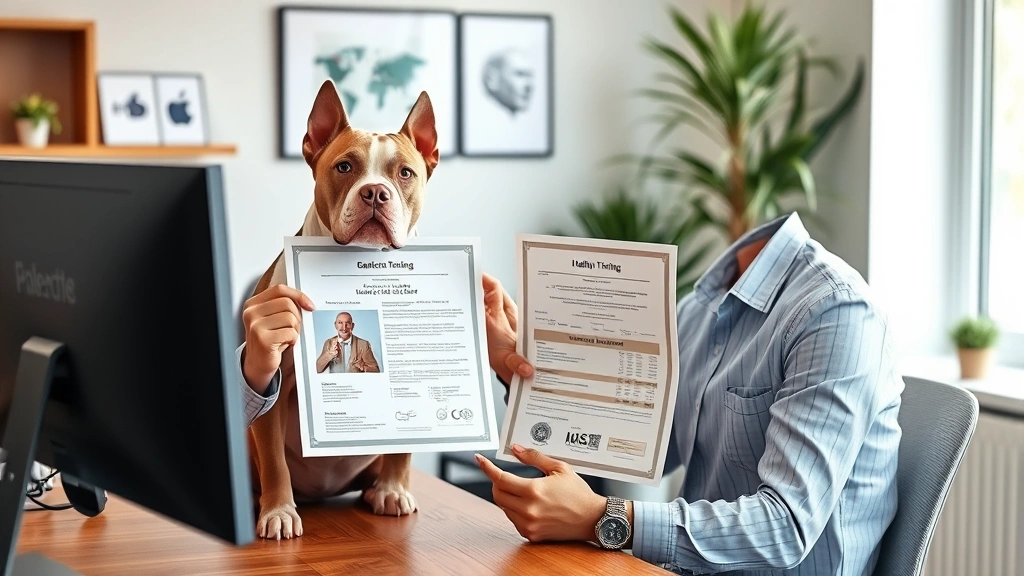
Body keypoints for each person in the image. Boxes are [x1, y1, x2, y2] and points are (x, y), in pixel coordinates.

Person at [474, 212, 904, 575]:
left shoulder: (836, 313)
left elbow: (786, 527)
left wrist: (601, 518)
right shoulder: (698, 308)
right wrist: (517, 373)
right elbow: (638, 449)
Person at [315, 312, 380, 374]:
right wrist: (329, 355)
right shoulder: (329, 343)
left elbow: (376, 370)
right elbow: (318, 369)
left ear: (352, 326)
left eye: (348, 323)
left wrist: (363, 367)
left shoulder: (363, 344)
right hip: (336, 384)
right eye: (340, 323)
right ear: (335, 325)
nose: (344, 328)